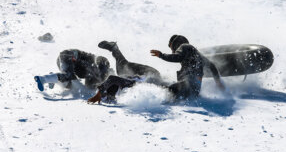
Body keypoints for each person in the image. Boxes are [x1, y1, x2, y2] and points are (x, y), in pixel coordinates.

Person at [87, 35, 225, 103]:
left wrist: (162, 55)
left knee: (124, 70)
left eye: (172, 47)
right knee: (125, 71)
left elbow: (177, 57)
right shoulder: (199, 56)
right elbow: (212, 66)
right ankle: (114, 50)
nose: (173, 50)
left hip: (170, 83)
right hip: (182, 88)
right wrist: (218, 82)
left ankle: (114, 49)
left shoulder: (185, 47)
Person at [34, 49, 111, 91]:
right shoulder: (92, 62)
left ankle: (53, 78)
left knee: (71, 86)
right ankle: (43, 79)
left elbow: (90, 85)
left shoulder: (92, 70)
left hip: (67, 60)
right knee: (70, 76)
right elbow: (91, 84)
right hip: (67, 56)